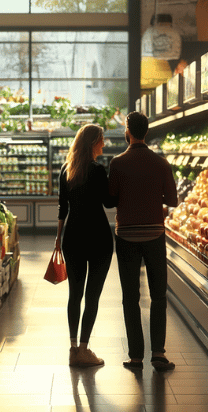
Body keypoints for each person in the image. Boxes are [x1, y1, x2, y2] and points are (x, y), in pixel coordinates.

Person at [108, 111, 178, 371]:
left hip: (126, 235)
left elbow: (110, 199)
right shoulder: (161, 163)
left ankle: (136, 355)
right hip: (154, 235)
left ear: (128, 131)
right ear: (146, 132)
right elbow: (172, 200)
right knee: (159, 294)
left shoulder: (117, 163)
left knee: (130, 296)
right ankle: (158, 353)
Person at [55, 124, 114, 367]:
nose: (104, 144)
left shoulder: (66, 170)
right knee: (92, 296)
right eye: (101, 140)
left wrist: (58, 239)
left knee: (75, 294)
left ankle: (72, 349)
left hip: (73, 238)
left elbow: (63, 208)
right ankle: (84, 350)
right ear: (92, 143)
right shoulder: (98, 171)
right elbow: (109, 203)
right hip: (98, 238)